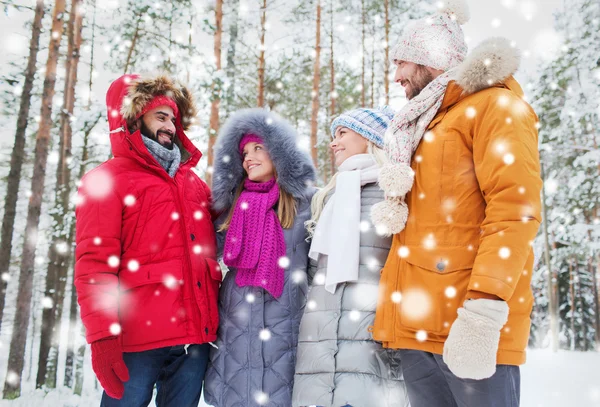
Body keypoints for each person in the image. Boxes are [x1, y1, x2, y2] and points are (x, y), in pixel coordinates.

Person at [370, 0, 543, 406]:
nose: (396, 76)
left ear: (430, 60)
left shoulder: (494, 108)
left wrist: (483, 310)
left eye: (402, 63)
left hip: (469, 329)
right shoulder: (424, 123)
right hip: (418, 331)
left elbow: (513, 210)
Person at [74, 73, 220, 406]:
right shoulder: (106, 180)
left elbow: (226, 236)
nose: (171, 125)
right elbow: (94, 266)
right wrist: (102, 337)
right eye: (161, 116)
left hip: (193, 342)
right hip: (136, 343)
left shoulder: (194, 184)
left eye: (173, 118)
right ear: (133, 118)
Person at [292, 107, 409, 407]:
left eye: (342, 133)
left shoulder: (394, 193)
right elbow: (313, 271)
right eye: (333, 135)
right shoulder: (328, 197)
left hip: (370, 336)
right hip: (318, 337)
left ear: (370, 138)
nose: (333, 143)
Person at [203, 108, 317, 407]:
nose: (248, 157)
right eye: (243, 152)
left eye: (258, 148)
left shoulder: (308, 204)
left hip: (287, 326)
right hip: (236, 325)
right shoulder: (229, 209)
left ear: (279, 153)